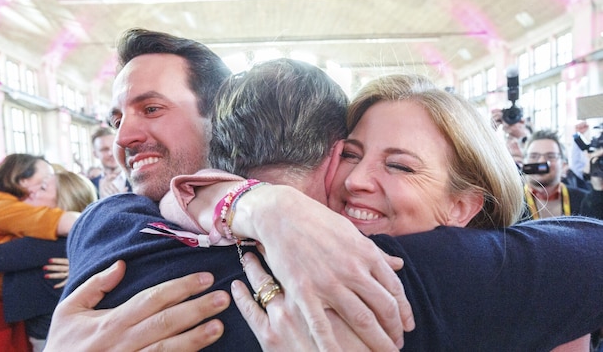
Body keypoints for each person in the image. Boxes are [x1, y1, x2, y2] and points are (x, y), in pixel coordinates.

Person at [49, 61, 603, 350]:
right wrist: (259, 205)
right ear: (333, 153)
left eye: (400, 165)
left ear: (465, 206)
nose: (360, 179)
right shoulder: (447, 286)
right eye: (356, 155)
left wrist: (246, 199)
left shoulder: (120, 249)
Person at [51, 29, 410, 352]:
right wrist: (261, 203)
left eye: (152, 109)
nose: (122, 137)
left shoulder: (371, 259)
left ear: (218, 119)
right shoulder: (107, 225)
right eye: (116, 121)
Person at [0, 168, 96, 351]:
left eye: (43, 189)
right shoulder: (79, 243)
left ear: (62, 201)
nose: (32, 192)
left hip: (49, 337)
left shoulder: (45, 243)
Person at [521, 129, 588, 220]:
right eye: (533, 156)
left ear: (563, 164)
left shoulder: (585, 201)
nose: (541, 161)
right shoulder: (509, 202)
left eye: (551, 156)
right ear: (524, 162)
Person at [90, 127, 131, 198]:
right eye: (104, 149)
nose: (111, 153)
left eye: (114, 147)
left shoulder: (139, 180)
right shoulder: (91, 185)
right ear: (95, 154)